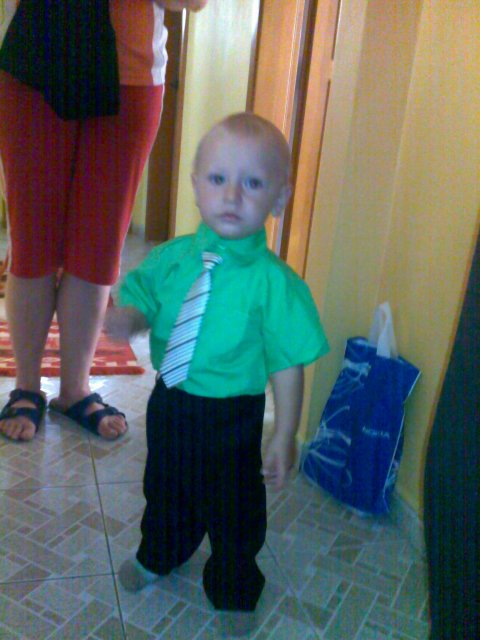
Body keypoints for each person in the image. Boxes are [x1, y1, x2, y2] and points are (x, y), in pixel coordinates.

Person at [105, 113, 329, 612]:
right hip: (170, 401)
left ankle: (233, 584)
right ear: (196, 186)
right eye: (218, 178)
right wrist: (130, 319)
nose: (232, 196)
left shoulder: (275, 285)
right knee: (164, 485)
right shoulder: (172, 258)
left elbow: (287, 364)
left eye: (252, 183)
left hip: (232, 416)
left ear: (279, 198)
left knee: (235, 507)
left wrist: (284, 432)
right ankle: (160, 552)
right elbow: (145, 297)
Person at [0, 0, 208, 442]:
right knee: (32, 244)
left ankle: (74, 390)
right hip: (36, 65)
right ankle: (27, 386)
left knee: (97, 249)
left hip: (130, 78)